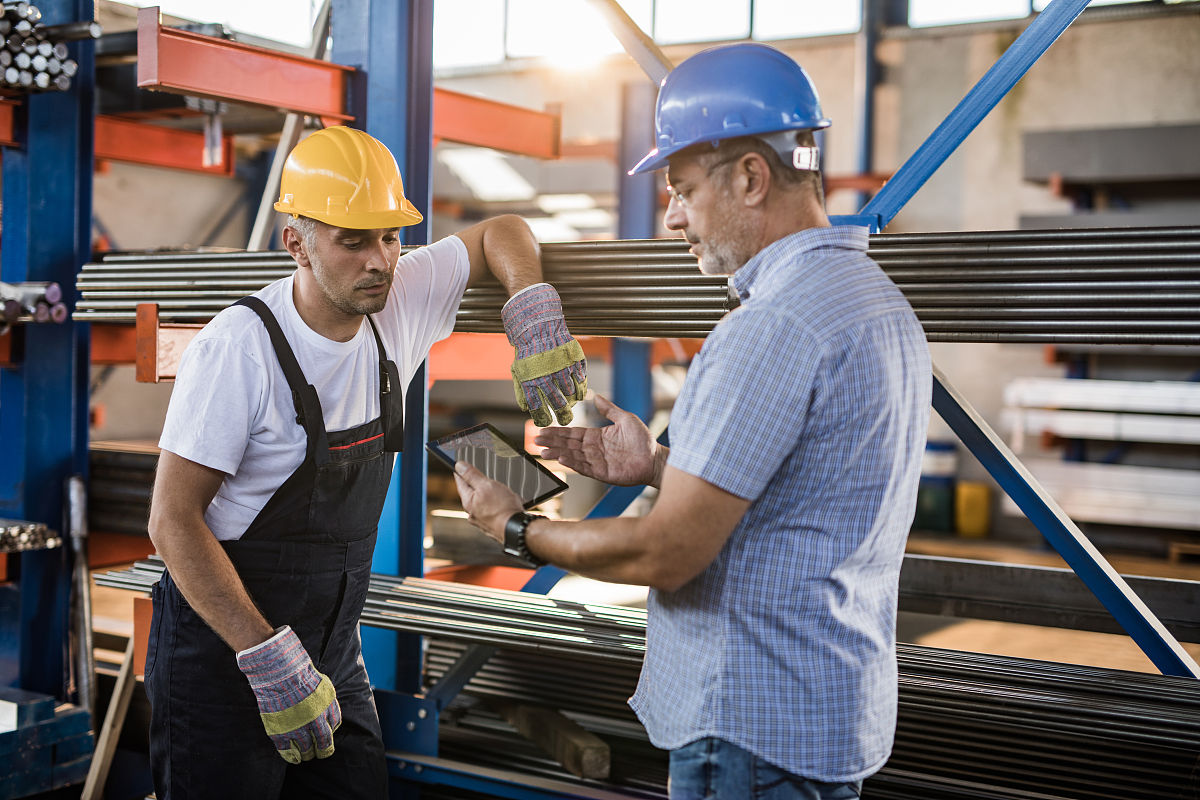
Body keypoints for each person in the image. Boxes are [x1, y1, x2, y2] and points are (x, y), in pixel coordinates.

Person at [452, 43, 931, 799]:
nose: (671, 218)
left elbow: (667, 552)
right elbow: (802, 495)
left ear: (749, 176)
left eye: (680, 189)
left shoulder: (772, 327)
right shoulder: (871, 299)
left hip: (749, 726)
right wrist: (654, 467)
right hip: (823, 712)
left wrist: (514, 528)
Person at [144, 124, 587, 799]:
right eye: (353, 242)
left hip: (330, 653)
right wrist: (265, 656)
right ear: (295, 240)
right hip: (226, 654)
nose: (380, 260)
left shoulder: (397, 301)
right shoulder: (240, 349)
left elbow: (502, 228)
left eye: (390, 236)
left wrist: (528, 302)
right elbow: (173, 522)